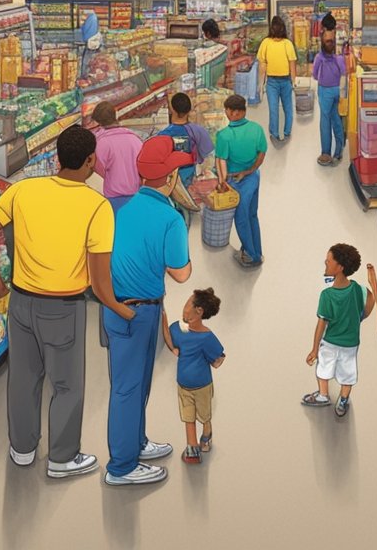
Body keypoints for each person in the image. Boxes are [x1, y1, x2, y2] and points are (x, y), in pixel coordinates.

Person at [0, 125, 126, 478]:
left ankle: (22, 449)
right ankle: (61, 457)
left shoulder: (23, 190)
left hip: (21, 304)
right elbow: (101, 281)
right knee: (67, 384)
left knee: (24, 380)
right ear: (91, 161)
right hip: (64, 307)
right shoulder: (97, 206)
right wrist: (119, 308)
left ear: (56, 158)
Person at [103, 136, 194, 487]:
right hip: (139, 313)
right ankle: (122, 466)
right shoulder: (169, 218)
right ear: (170, 178)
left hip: (119, 307)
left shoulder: (123, 209)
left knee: (136, 385)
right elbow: (182, 272)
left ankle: (136, 442)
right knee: (128, 388)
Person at [301, 245, 377, 418]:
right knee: (347, 373)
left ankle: (323, 395)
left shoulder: (327, 295)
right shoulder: (359, 290)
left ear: (340, 268)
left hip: (330, 341)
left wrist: (314, 349)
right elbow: (371, 302)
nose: (325, 262)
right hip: (351, 343)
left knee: (324, 368)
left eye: (329, 261)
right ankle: (343, 400)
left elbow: (321, 324)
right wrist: (358, 318)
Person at [163, 288, 225, 464]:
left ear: (198, 312)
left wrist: (213, 360)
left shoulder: (207, 337)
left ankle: (206, 434)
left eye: (187, 304)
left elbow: (218, 359)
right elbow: (169, 338)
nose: (184, 307)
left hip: (202, 386)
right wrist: (163, 317)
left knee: (204, 415)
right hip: (183, 385)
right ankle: (192, 447)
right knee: (188, 418)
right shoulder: (176, 328)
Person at [214, 94, 268, 268]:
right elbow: (262, 153)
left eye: (227, 110)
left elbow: (221, 160)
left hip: (235, 181)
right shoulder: (257, 129)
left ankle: (252, 256)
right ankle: (257, 250)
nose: (226, 113)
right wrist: (250, 171)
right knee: (252, 215)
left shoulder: (224, 135)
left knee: (241, 217)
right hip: (253, 177)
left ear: (236, 112)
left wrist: (222, 182)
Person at [91, 101, 143, 212]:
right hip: (137, 197)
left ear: (98, 121)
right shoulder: (135, 140)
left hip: (114, 200)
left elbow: (98, 171)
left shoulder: (101, 143)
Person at [157, 93, 214, 191]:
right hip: (191, 180)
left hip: (170, 183)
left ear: (172, 109)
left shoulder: (163, 135)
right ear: (189, 110)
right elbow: (208, 156)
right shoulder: (199, 131)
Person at [311, 13, 346, 166]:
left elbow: (314, 75)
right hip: (338, 89)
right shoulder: (339, 56)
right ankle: (338, 151)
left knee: (325, 120)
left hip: (325, 90)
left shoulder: (319, 57)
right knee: (336, 118)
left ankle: (325, 152)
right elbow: (344, 72)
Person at [256, 15, 297, 141]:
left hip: (278, 82)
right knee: (285, 108)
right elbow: (292, 64)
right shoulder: (284, 43)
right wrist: (293, 80)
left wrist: (260, 84)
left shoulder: (268, 43)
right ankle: (282, 132)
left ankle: (279, 133)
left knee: (278, 109)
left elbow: (263, 65)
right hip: (276, 81)